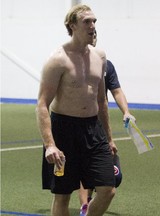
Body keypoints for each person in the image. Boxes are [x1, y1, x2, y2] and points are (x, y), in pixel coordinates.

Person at [36, 4, 117, 216]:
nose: (93, 26)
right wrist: (50, 145)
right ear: (72, 25)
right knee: (62, 195)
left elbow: (102, 101)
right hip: (64, 130)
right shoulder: (57, 59)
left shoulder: (100, 56)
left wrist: (109, 139)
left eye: (94, 21)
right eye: (87, 22)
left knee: (108, 190)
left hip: (93, 129)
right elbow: (42, 104)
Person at [79, 30, 136, 215]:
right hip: (77, 123)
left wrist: (126, 111)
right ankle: (85, 206)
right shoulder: (72, 63)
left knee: (108, 172)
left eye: (95, 34)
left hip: (99, 124)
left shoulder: (106, 65)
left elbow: (116, 91)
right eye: (89, 32)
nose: (93, 36)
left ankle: (91, 204)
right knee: (82, 167)